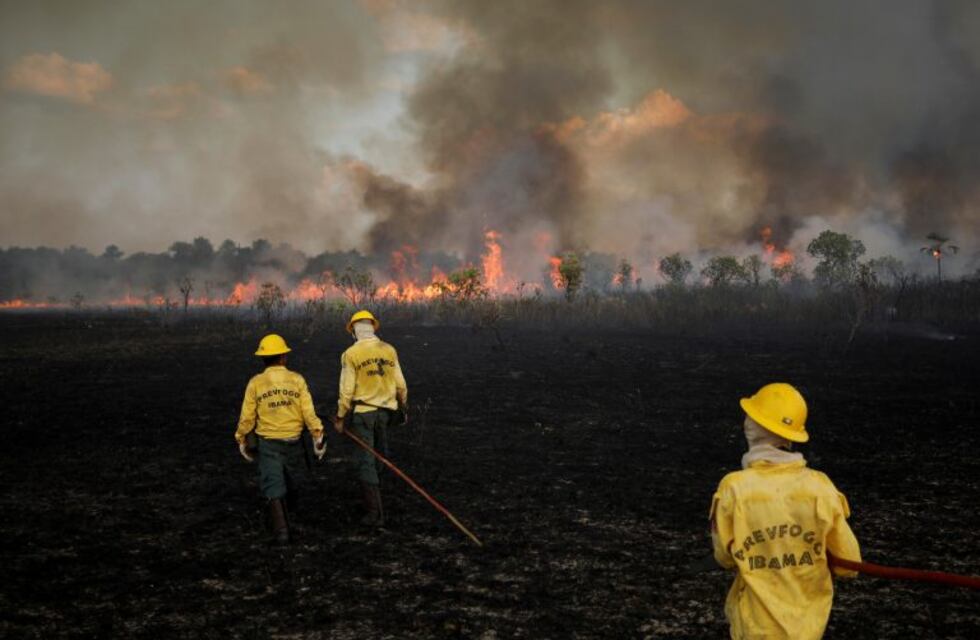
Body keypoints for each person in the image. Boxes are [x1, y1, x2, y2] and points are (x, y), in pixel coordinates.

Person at [709, 383, 861, 640]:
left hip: (755, 626)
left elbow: (724, 557)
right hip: (808, 628)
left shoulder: (733, 488)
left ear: (751, 428)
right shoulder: (820, 486)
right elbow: (850, 565)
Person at [235, 334, 326, 544]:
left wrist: (241, 438)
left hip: (268, 442)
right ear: (284, 357)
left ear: (263, 358)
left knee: (272, 483)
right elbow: (308, 413)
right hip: (294, 441)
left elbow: (247, 417)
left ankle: (282, 531)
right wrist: (317, 433)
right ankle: (289, 519)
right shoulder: (297, 380)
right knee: (292, 479)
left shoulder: (255, 383)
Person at [333, 310, 408, 527]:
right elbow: (401, 385)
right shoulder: (389, 350)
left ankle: (375, 513)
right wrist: (403, 408)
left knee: (367, 461)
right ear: (373, 327)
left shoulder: (351, 354)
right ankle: (376, 504)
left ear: (354, 331)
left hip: (363, 414)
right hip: (385, 413)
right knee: (379, 456)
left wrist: (339, 417)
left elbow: (346, 391)